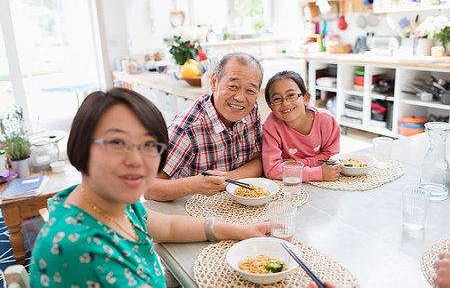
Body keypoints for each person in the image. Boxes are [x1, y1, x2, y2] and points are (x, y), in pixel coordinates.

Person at [29, 88, 271, 287]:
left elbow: (169, 226)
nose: (137, 160)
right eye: (117, 142)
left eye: (149, 145)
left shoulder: (112, 202)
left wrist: (239, 230)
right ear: (82, 146)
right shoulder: (77, 246)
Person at [144, 52, 264, 201]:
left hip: (237, 203)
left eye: (250, 90)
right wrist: (196, 185)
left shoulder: (251, 109)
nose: (240, 98)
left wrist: (226, 179)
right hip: (192, 209)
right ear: (214, 82)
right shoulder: (186, 127)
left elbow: (259, 160)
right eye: (233, 86)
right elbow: (149, 189)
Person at [262, 70, 342, 182]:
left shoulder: (327, 121)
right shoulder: (271, 126)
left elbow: (331, 158)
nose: (285, 103)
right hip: (291, 187)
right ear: (270, 106)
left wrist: (296, 163)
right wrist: (318, 173)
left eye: (291, 95)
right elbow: (272, 170)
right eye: (277, 99)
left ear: (305, 98)